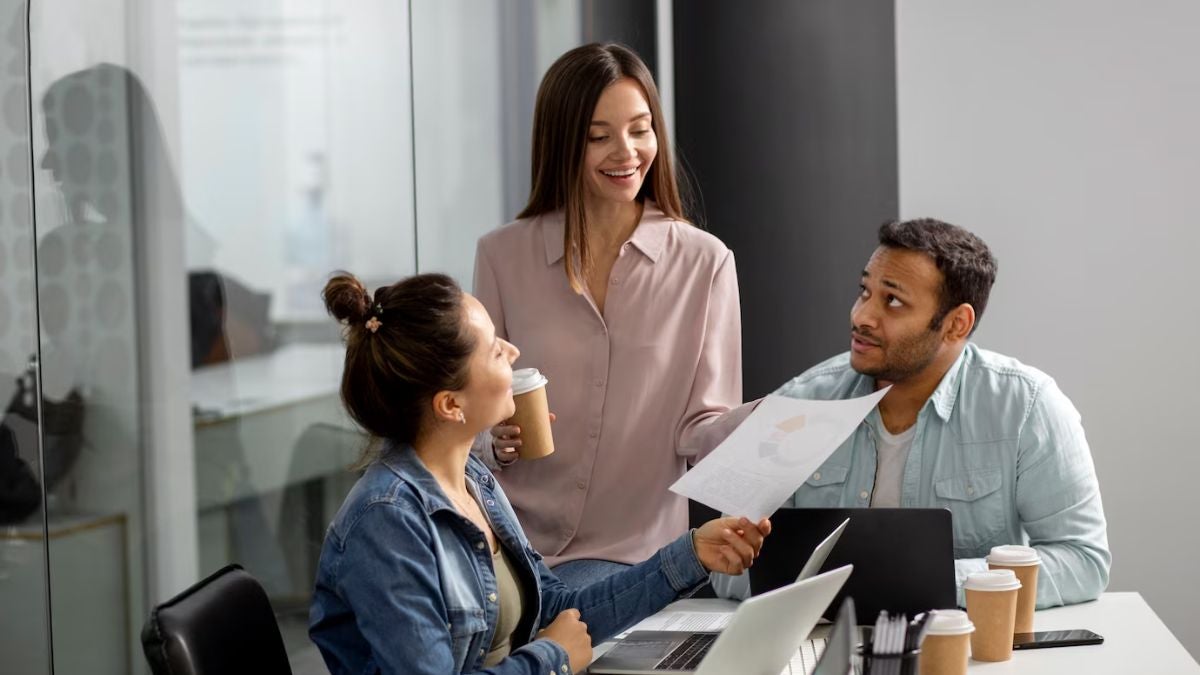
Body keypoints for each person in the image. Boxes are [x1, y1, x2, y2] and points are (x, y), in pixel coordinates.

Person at [308, 271, 770, 675]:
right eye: (492, 351)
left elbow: (558, 611)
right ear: (451, 405)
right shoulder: (387, 524)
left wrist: (693, 554)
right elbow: (553, 642)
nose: (511, 351)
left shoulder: (474, 482)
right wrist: (554, 658)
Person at [713, 219, 1109, 609]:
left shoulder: (1026, 406)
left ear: (957, 324)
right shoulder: (801, 401)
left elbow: (1081, 560)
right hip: (819, 644)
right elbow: (722, 561)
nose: (862, 316)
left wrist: (925, 580)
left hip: (966, 650)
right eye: (864, 291)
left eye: (893, 301)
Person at [473, 43, 742, 587]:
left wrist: (777, 427)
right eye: (599, 136)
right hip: (511, 546)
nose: (627, 152)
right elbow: (474, 415)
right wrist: (493, 439)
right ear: (563, 142)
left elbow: (702, 427)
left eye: (640, 129)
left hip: (635, 556)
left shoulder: (705, 262)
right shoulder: (502, 256)